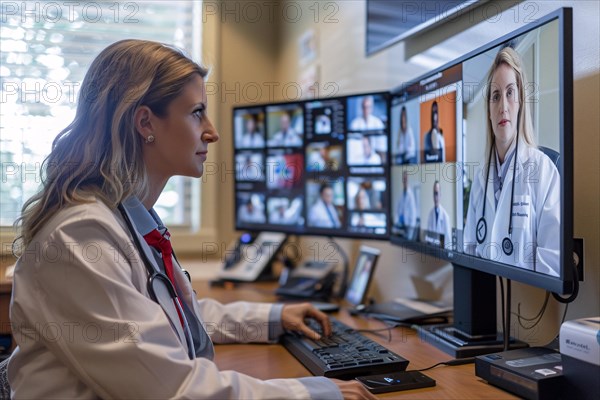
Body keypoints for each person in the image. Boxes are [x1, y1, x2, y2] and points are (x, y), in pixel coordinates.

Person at [8, 39, 374, 399]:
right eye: (197, 112)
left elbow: (170, 317)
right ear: (145, 122)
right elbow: (171, 390)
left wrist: (273, 318)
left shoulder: (127, 217)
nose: (212, 132)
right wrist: (315, 393)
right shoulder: (80, 237)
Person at [463, 46, 560, 276]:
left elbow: (553, 260)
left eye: (510, 93)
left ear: (521, 102)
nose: (503, 107)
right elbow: (470, 250)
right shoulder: (480, 180)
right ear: (488, 110)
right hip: (487, 298)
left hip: (528, 302)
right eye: (495, 96)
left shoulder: (543, 170)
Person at [426, 181, 453, 249]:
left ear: (440, 195)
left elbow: (448, 242)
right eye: (434, 193)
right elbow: (428, 238)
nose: (435, 196)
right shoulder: (430, 214)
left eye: (437, 193)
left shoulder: (445, 216)